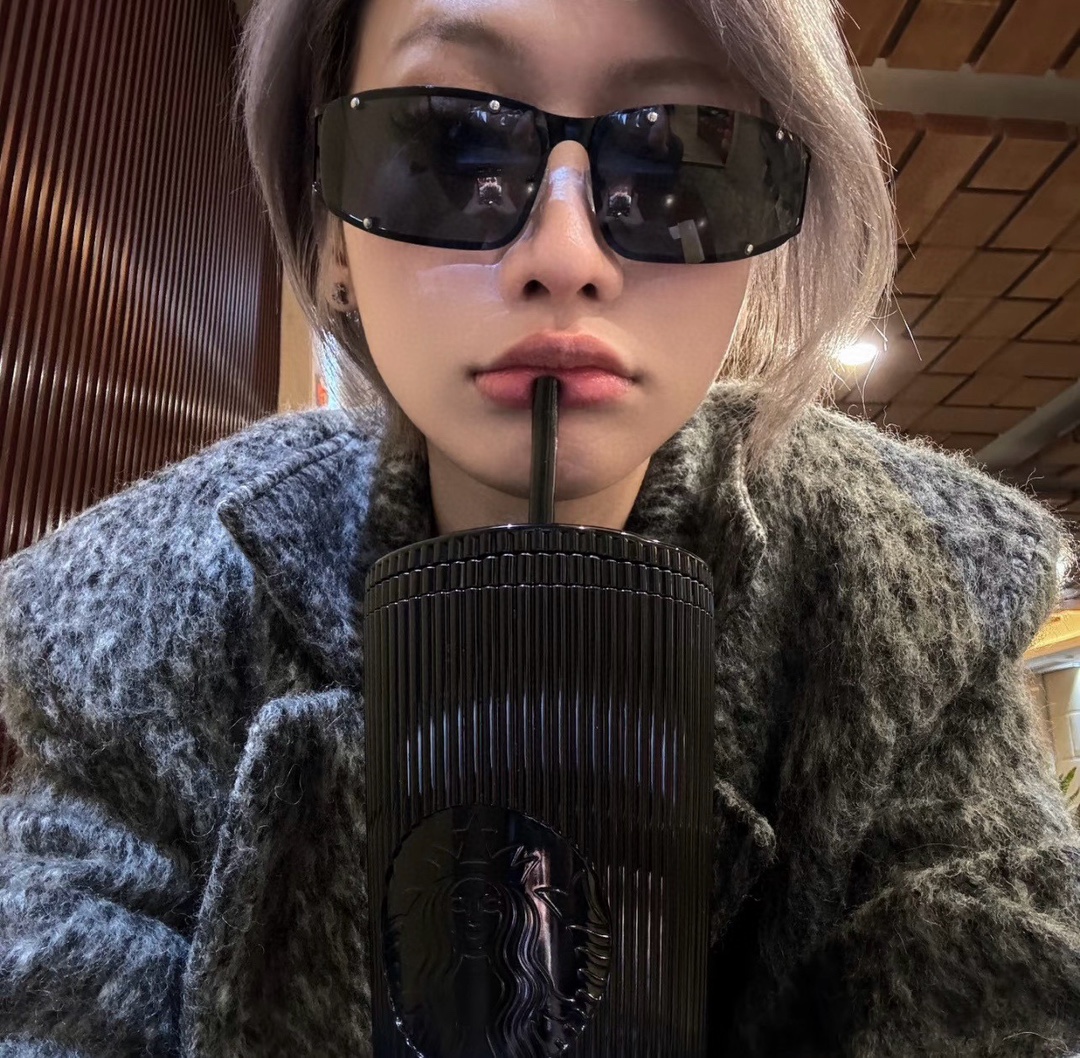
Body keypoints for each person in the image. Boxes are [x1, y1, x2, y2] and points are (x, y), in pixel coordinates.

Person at [1, 0, 1079, 1054]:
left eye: (676, 157)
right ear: (330, 226)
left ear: (757, 252)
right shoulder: (138, 623)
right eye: (450, 140)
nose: (565, 257)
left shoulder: (913, 600)